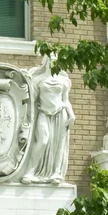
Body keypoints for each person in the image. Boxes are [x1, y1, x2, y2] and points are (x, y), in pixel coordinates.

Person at [21, 55, 75, 185]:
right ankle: (30, 171)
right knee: (42, 141)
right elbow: (32, 98)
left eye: (55, 60)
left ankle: (56, 173)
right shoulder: (38, 79)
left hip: (60, 114)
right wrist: (26, 79)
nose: (53, 62)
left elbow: (65, 101)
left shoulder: (63, 81)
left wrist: (71, 115)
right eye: (50, 59)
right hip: (44, 112)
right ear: (45, 62)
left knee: (59, 144)